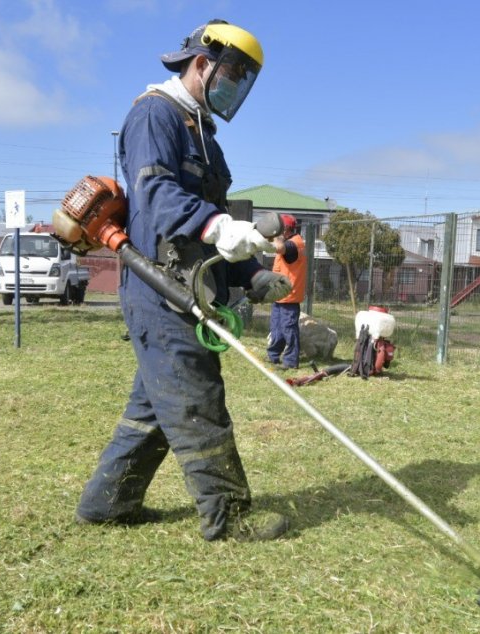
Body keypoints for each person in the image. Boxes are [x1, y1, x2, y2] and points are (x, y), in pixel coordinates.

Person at [76, 19, 293, 542]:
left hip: (195, 284)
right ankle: (229, 517)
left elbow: (216, 223)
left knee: (153, 409)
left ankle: (107, 504)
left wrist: (253, 273)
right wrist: (218, 225)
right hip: (160, 289)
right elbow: (157, 199)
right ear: (202, 63)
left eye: (244, 79)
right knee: (197, 401)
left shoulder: (205, 134)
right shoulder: (155, 115)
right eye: (231, 74)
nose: (235, 87)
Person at [267, 214, 308, 369]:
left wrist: (274, 236)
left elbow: (279, 247)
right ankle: (273, 356)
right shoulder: (290, 241)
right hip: (280, 294)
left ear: (285, 229)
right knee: (276, 328)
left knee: (288, 329)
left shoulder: (294, 244)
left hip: (289, 296)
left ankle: (290, 361)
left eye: (277, 228)